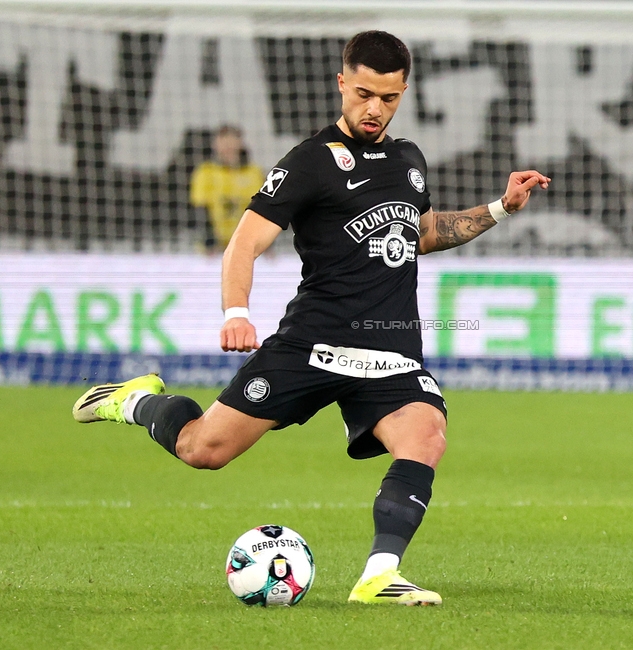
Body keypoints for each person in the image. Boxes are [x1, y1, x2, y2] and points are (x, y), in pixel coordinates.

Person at [73, 30, 549, 606]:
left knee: (426, 435)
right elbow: (242, 245)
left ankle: (378, 576)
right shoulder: (309, 163)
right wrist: (237, 312)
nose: (375, 109)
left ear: (403, 93)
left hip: (390, 350)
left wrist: (500, 208)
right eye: (366, 94)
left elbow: (418, 233)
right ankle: (135, 400)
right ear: (342, 82)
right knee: (205, 450)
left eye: (390, 98)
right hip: (313, 343)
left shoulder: (409, 160)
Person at [189, 125, 265, 253]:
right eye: (223, 141)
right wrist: (210, 243)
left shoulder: (253, 172)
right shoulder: (205, 172)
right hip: (214, 249)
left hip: (248, 247)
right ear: (215, 145)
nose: (227, 146)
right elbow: (201, 209)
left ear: (240, 143)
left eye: (231, 140)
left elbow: (262, 210)